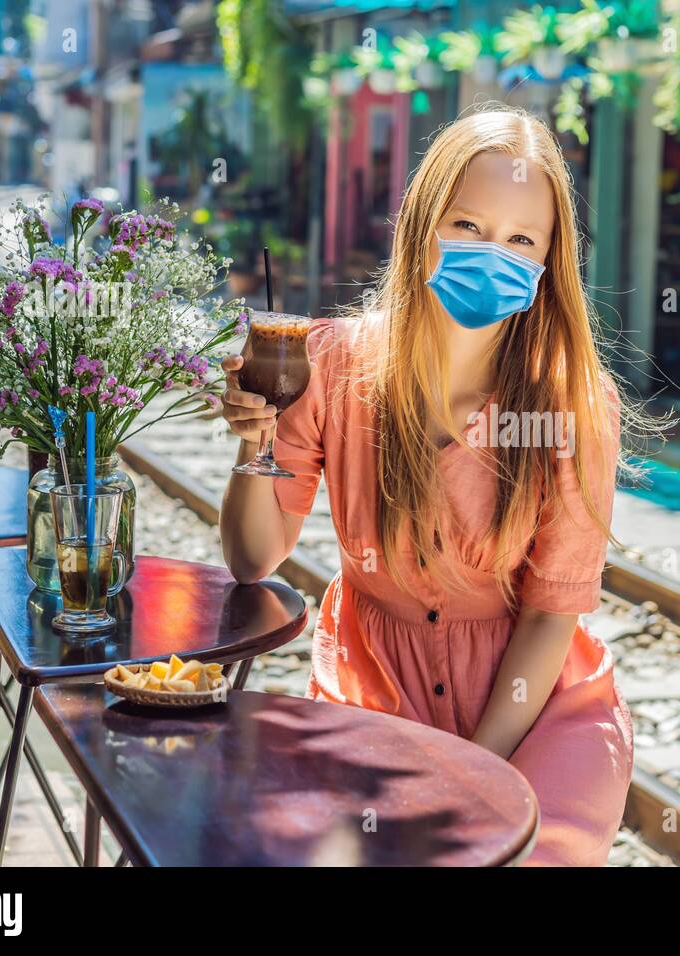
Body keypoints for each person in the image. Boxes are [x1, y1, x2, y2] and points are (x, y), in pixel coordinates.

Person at [218, 107, 643, 866]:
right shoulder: (331, 366)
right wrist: (255, 446)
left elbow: (551, 617)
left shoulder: (575, 404)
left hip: (535, 707)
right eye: (469, 226)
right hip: (373, 693)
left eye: (522, 240)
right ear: (421, 225)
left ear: (550, 262)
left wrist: (473, 772)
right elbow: (255, 561)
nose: (494, 252)